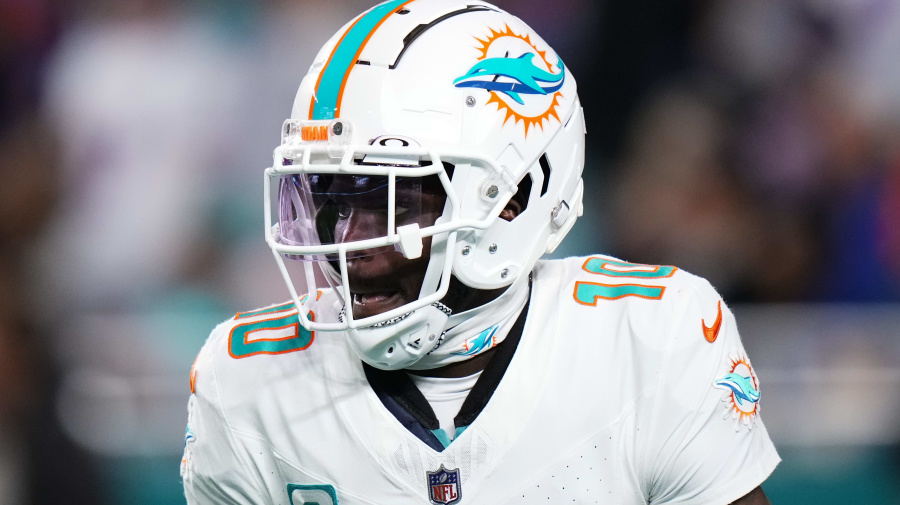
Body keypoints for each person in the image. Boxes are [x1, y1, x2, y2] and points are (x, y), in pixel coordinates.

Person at [181, 0, 780, 503]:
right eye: (330, 196)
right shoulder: (246, 384)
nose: (346, 242)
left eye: (388, 198)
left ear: (514, 198)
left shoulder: (650, 339)